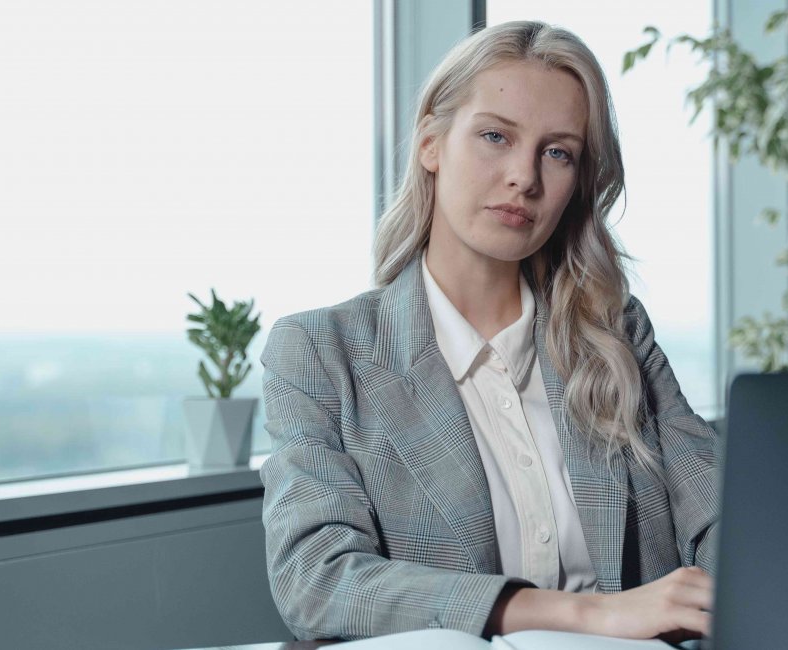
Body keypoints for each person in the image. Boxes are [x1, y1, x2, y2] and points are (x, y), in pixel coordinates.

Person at [259, 20, 723, 644]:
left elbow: (724, 519)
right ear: (431, 142)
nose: (523, 178)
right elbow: (318, 580)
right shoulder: (321, 353)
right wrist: (586, 614)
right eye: (495, 137)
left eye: (557, 152)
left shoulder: (616, 333)